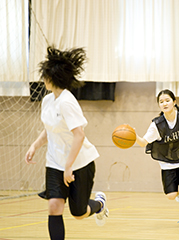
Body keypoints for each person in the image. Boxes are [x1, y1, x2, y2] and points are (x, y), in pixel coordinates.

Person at [25, 46, 108, 240]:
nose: (42, 79)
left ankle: (100, 204)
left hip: (79, 163)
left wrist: (68, 166)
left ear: (52, 78)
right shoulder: (47, 101)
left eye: (45, 75)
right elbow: (50, 128)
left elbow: (78, 135)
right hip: (54, 162)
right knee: (54, 206)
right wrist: (35, 145)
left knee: (79, 213)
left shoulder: (67, 102)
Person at [135, 89, 179, 228]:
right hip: (168, 163)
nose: (164, 103)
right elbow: (144, 142)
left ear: (174, 102)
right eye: (161, 102)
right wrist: (134, 136)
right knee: (171, 196)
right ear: (159, 106)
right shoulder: (157, 124)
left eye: (167, 100)